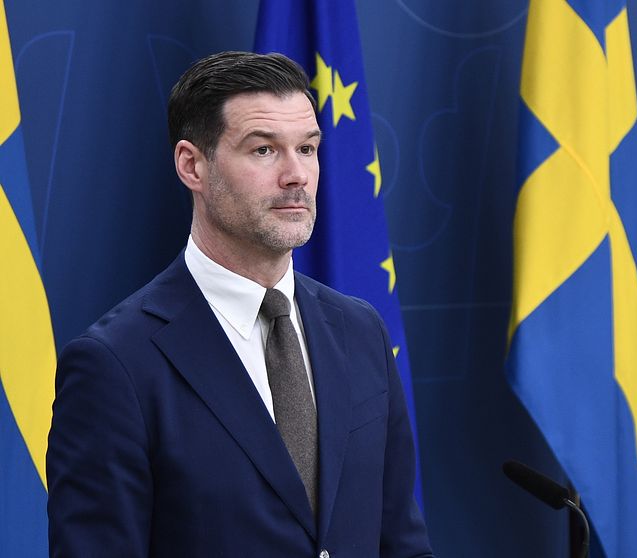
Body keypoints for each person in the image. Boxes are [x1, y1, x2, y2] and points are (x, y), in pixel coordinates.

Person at [47, 51, 433, 558]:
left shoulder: (360, 330)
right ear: (192, 165)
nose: (297, 175)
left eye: (307, 148)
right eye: (264, 150)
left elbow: (401, 543)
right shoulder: (114, 364)